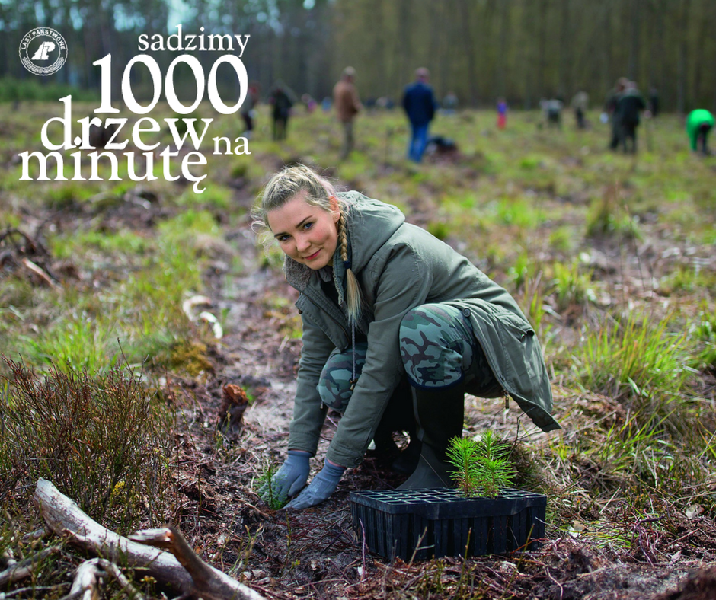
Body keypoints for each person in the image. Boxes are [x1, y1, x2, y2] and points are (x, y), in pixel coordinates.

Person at [253, 164, 560, 510]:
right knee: (338, 376)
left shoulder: (399, 254)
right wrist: (299, 453)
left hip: (493, 347)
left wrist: (333, 466)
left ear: (333, 208)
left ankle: (438, 464)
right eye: (285, 237)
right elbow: (312, 363)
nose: (301, 244)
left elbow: (382, 365)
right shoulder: (312, 267)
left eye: (307, 225)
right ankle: (408, 444)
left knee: (421, 327)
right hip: (422, 350)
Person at [402, 68, 436, 163]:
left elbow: (405, 105)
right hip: (424, 119)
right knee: (422, 139)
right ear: (426, 78)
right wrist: (431, 117)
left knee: (413, 138)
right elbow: (431, 106)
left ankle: (410, 157)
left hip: (413, 118)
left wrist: (408, 114)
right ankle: (417, 159)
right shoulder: (428, 90)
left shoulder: (409, 89)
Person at [333, 67, 362, 160]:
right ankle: (345, 156)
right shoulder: (348, 88)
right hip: (347, 116)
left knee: (346, 136)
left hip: (341, 115)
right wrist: (358, 108)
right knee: (348, 137)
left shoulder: (338, 86)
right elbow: (352, 104)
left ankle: (346, 155)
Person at [615, 81, 646, 154]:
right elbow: (643, 107)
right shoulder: (637, 96)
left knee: (624, 133)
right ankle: (633, 149)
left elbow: (618, 108)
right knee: (633, 134)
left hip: (624, 118)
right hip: (633, 118)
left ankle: (625, 148)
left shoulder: (623, 97)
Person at [606, 78, 628, 150]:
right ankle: (614, 146)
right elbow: (609, 104)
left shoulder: (627, 95)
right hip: (616, 116)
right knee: (616, 131)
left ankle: (623, 147)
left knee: (622, 132)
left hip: (624, 117)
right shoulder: (615, 95)